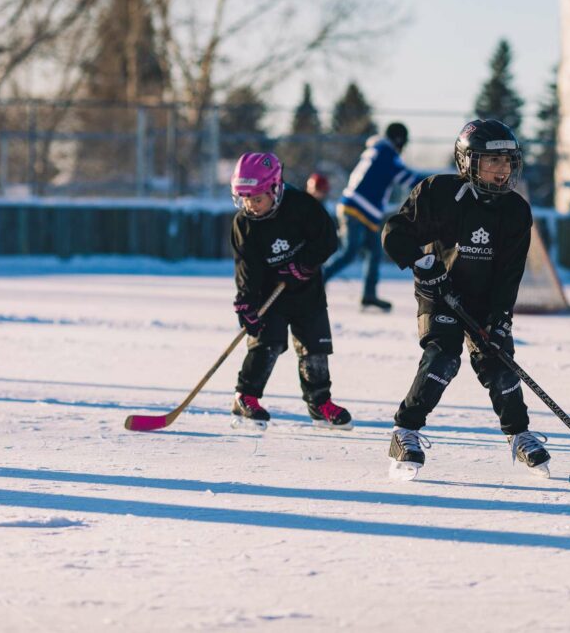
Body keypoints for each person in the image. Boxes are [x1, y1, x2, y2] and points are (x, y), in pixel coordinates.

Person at [380, 119, 551, 480]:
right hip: (440, 293)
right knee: (443, 358)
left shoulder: (516, 211)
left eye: (507, 161)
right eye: (493, 161)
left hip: (484, 299)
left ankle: (519, 435)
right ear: (467, 162)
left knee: (499, 363)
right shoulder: (438, 194)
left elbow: (510, 273)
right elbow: (395, 232)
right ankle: (405, 431)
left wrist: (501, 316)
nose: (502, 170)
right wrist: (423, 262)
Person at [229, 152, 353, 430]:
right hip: (268, 295)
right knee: (267, 343)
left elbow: (328, 240)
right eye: (245, 199)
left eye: (257, 199)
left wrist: (303, 265)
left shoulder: (302, 206)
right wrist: (246, 303)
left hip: (306, 291)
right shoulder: (243, 224)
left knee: (315, 348)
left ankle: (320, 404)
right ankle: (245, 396)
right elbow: (246, 268)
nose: (251, 205)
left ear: (275, 188)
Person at [323, 122, 427, 312]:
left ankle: (369, 294)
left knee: (374, 252)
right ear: (399, 140)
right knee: (349, 252)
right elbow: (406, 178)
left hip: (363, 210)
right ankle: (316, 283)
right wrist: (431, 181)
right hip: (356, 208)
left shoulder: (379, 150)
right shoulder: (386, 153)